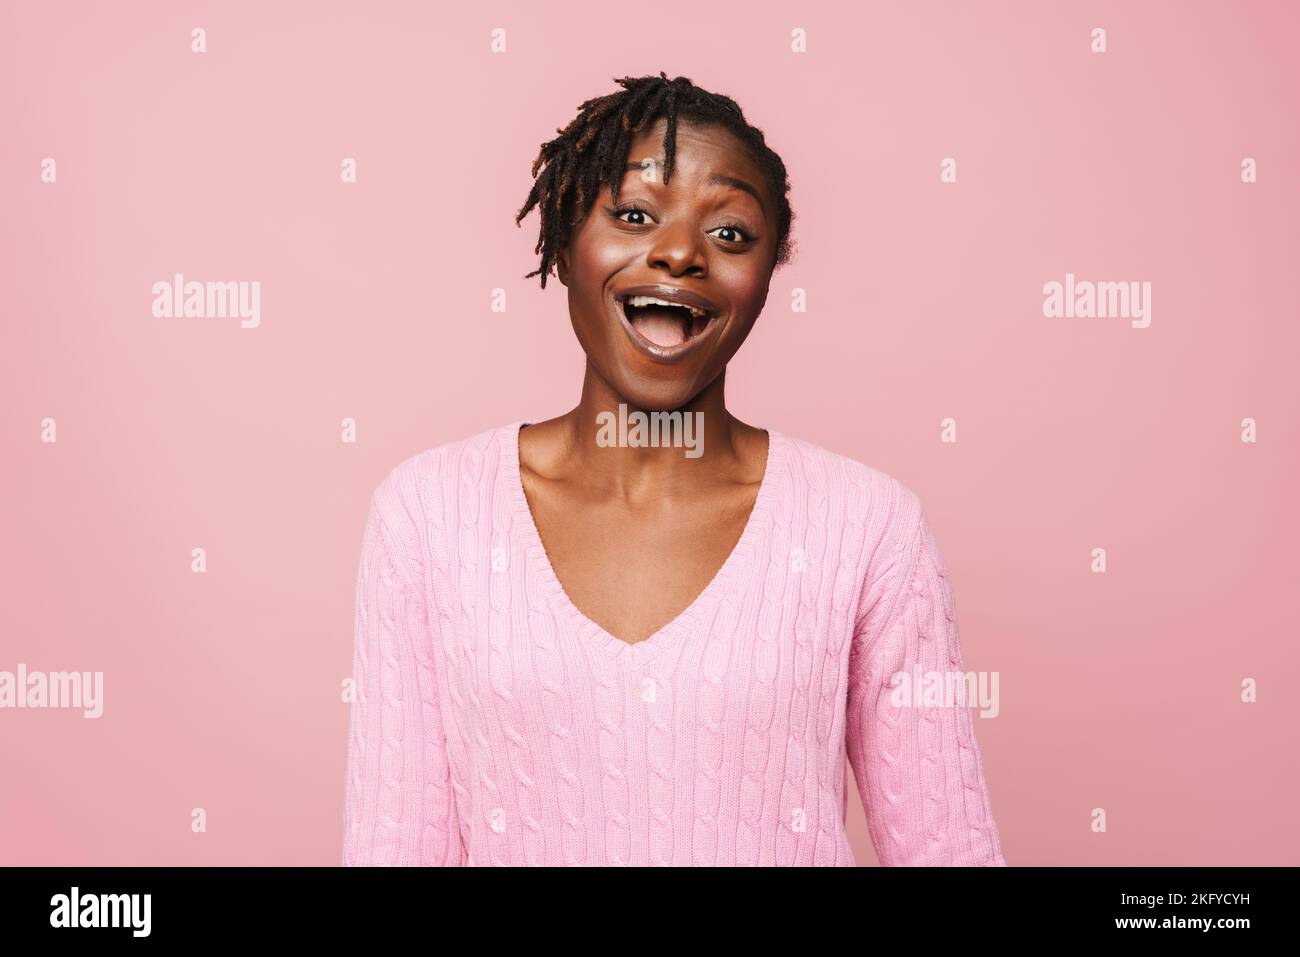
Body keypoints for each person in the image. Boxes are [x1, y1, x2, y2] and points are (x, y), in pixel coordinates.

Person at [342, 72, 1007, 866]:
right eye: (632, 215)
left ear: (766, 276)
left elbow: (948, 853)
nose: (681, 252)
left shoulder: (869, 529)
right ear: (563, 241)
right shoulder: (427, 516)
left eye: (729, 233)